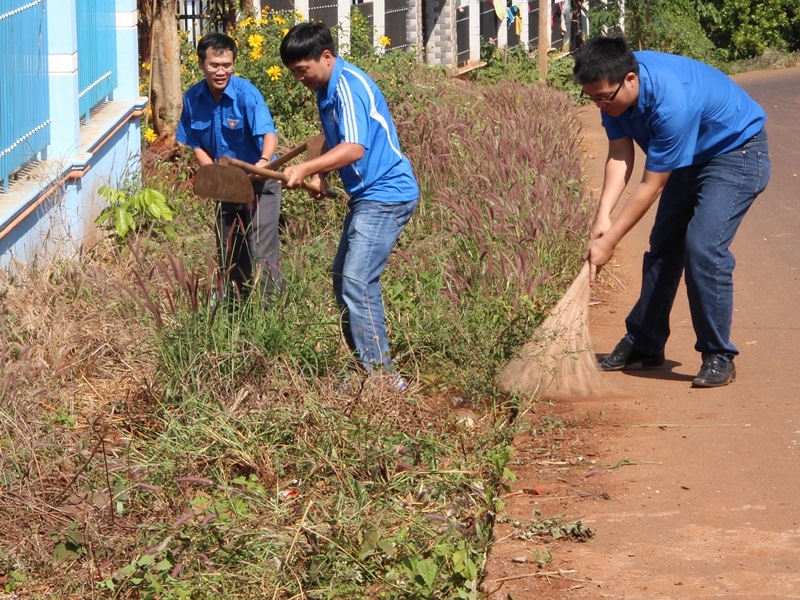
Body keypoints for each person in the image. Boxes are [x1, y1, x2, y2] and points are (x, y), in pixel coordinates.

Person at [573, 36, 771, 388]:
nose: (601, 105)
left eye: (605, 97)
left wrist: (611, 241)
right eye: (593, 99)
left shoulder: (670, 102)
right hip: (690, 156)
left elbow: (652, 185)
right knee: (664, 245)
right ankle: (644, 344)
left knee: (703, 248)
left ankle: (718, 354)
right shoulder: (615, 96)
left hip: (736, 152)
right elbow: (620, 154)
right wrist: (602, 217)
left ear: (630, 80)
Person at [278, 22, 419, 385]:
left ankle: (384, 380)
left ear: (326, 57)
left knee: (356, 280)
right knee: (344, 279)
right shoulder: (326, 88)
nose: (299, 79)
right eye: (294, 73)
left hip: (386, 194)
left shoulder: (347, 85)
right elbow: (332, 139)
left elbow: (355, 148)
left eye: (302, 71)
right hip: (367, 197)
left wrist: (306, 167)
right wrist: (320, 176)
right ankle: (367, 367)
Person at [176, 32, 284, 305]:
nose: (221, 71)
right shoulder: (192, 99)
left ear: (234, 64)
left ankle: (271, 313)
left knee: (261, 251)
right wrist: (214, 174)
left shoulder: (247, 94)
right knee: (230, 253)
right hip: (226, 185)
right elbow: (195, 143)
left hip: (260, 183)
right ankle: (236, 308)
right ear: (201, 64)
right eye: (214, 65)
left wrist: (262, 162)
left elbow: (269, 135)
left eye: (227, 65)